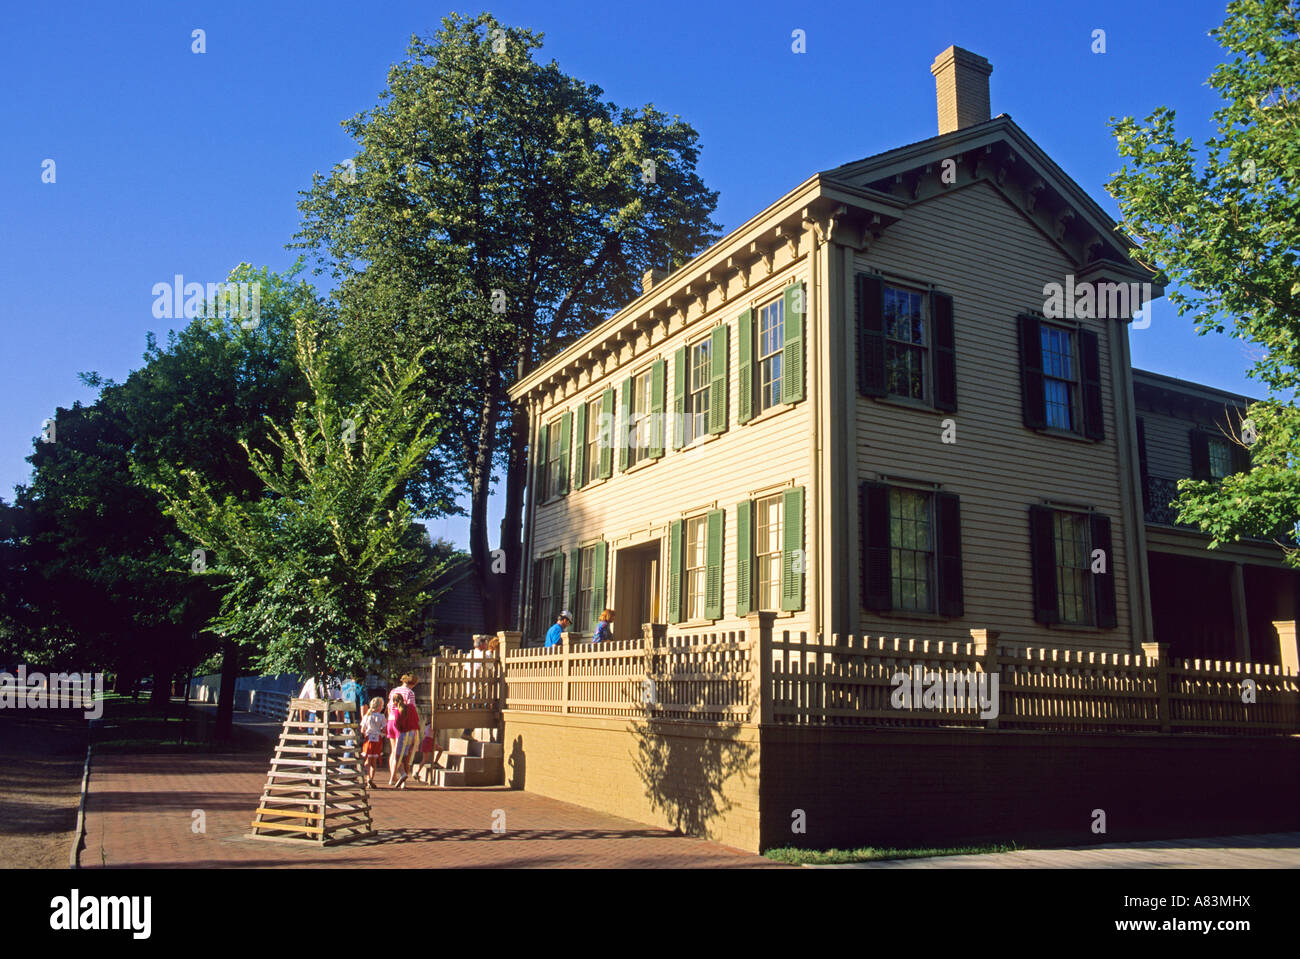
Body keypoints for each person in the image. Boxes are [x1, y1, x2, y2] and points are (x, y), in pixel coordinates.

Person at [386, 674, 420, 788]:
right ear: (413, 683)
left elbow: (389, 706)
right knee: (402, 753)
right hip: (401, 722)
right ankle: (400, 777)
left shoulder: (393, 691)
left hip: (391, 720)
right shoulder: (410, 693)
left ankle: (392, 776)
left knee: (393, 750)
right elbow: (411, 709)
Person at [360, 697, 387, 788]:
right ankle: (371, 778)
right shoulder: (381, 716)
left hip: (368, 738)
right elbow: (384, 728)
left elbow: (362, 729)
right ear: (379, 707)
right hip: (377, 739)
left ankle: (365, 777)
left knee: (367, 760)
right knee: (374, 762)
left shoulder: (367, 716)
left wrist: (365, 734)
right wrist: (382, 733)